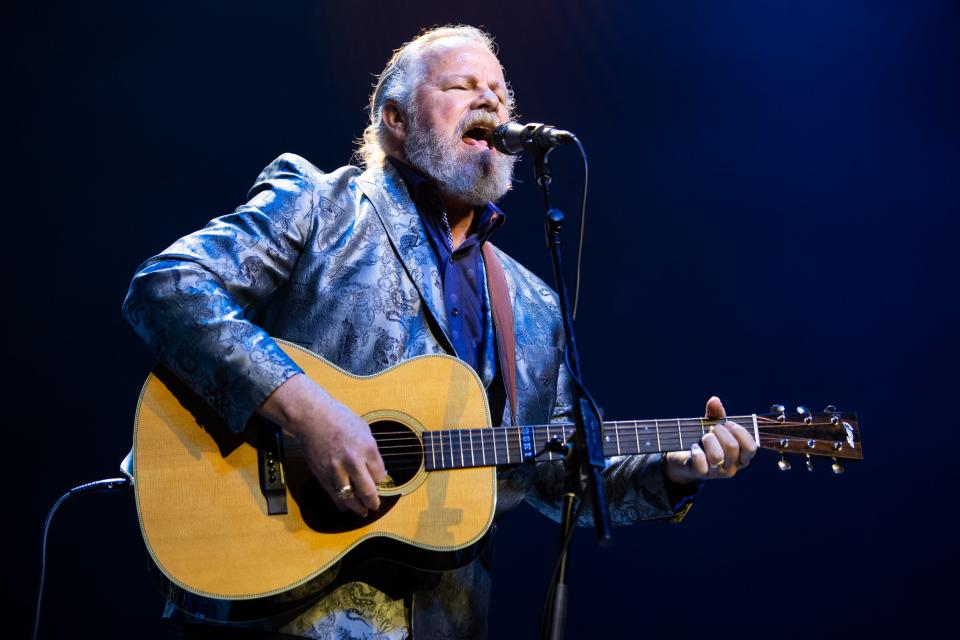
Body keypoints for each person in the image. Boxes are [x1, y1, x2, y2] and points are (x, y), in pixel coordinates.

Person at [122, 25, 756, 640]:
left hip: (446, 620)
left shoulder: (532, 304)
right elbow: (168, 288)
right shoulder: (320, 204)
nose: (490, 100)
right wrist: (310, 411)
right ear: (395, 120)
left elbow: (560, 475)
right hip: (284, 604)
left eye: (501, 94)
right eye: (461, 85)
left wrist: (673, 473)